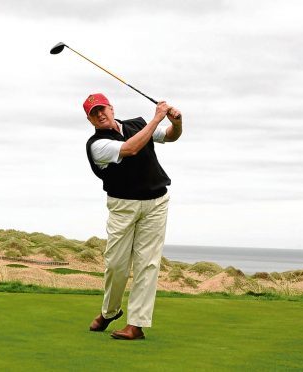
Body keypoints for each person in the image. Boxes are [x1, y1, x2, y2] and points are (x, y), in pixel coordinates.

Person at [84, 93, 182, 340]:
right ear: (90, 119)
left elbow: (170, 136)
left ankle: (136, 325)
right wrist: (157, 118)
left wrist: (176, 121)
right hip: (123, 207)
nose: (100, 114)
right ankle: (109, 312)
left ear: (111, 108)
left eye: (102, 109)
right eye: (94, 113)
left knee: (147, 264)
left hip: (156, 203)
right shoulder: (97, 145)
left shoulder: (136, 124)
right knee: (116, 264)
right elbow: (131, 148)